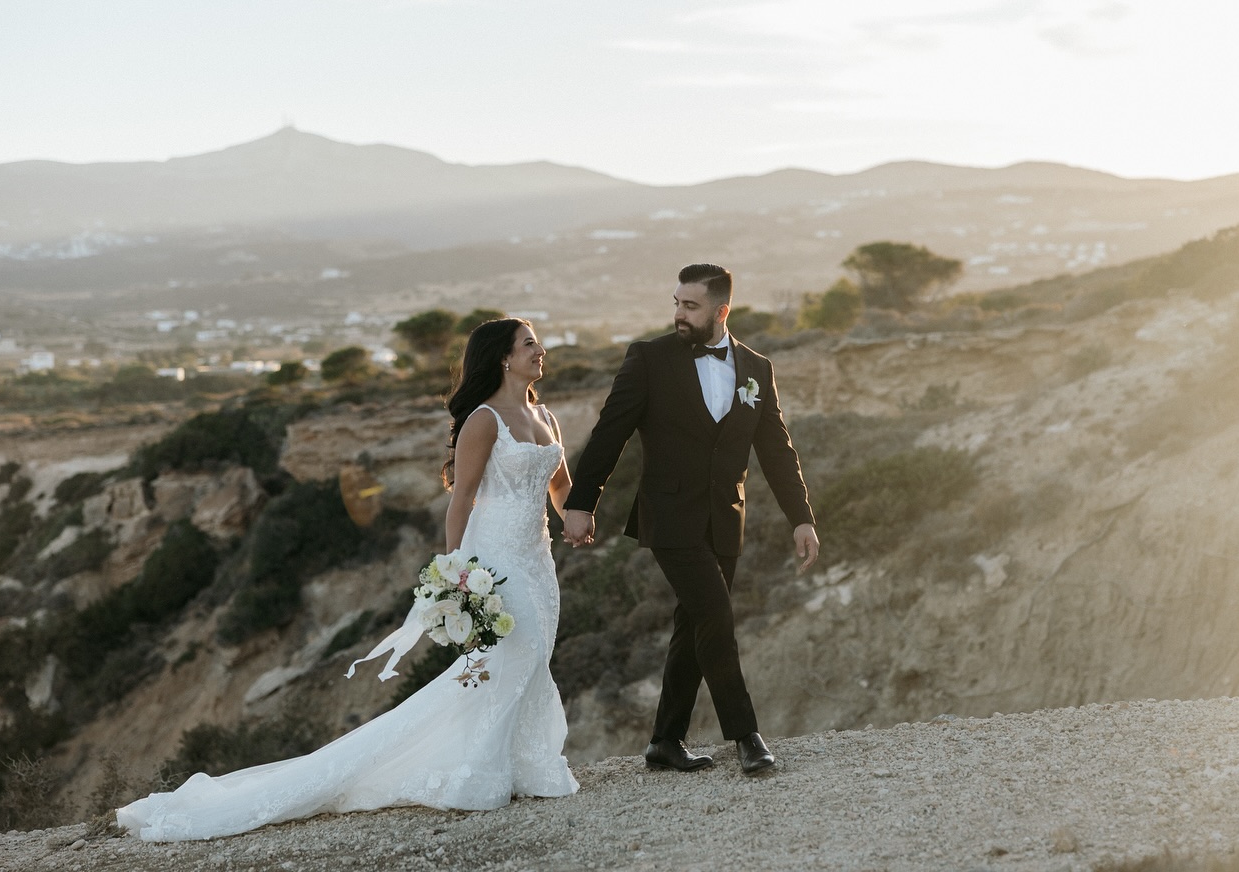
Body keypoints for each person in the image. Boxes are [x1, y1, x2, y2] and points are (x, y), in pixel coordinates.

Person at [118, 318, 580, 841]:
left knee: (534, 654)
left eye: (536, 343)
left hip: (538, 558)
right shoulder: (484, 420)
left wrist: (577, 516)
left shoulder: (544, 415)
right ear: (502, 357)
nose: (540, 351)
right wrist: (459, 575)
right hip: (496, 560)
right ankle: (478, 772)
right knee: (506, 658)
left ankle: (523, 765)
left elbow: (560, 484)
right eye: (529, 344)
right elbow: (463, 498)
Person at [562, 263, 819, 775]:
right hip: (670, 516)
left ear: (721, 311)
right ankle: (746, 735)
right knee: (716, 617)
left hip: (726, 519)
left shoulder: (756, 369)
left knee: (694, 625)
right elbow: (610, 432)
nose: (679, 313)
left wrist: (801, 518)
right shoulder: (649, 359)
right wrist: (580, 504)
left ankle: (665, 741)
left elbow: (777, 450)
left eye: (691, 305)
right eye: (676, 303)